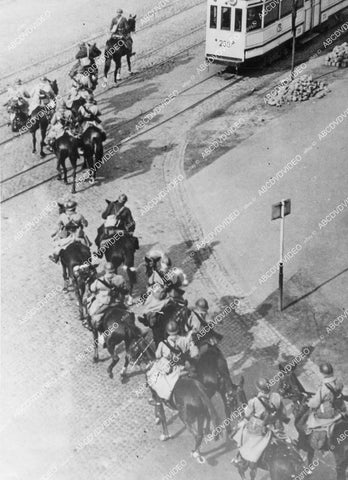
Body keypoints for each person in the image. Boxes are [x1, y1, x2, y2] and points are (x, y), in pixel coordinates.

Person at [232, 378, 290, 468]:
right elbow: (283, 413)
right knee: (287, 440)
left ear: (259, 389)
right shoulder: (277, 396)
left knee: (241, 430)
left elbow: (247, 415)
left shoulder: (254, 401)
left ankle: (240, 459)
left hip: (261, 428)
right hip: (276, 426)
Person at [147, 320, 199, 402]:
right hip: (184, 366)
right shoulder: (185, 340)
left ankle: (158, 402)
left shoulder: (162, 344)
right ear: (178, 330)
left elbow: (157, 356)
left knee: (152, 376)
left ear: (167, 332)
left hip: (173, 371)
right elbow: (194, 353)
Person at [306, 362, 347, 447]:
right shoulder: (338, 381)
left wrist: (309, 402)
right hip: (340, 407)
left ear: (322, 373)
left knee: (310, 417)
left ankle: (319, 442)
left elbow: (315, 403)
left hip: (330, 412)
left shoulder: (324, 388)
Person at [87, 262, 128, 331]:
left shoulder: (99, 281)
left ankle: (93, 327)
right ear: (114, 269)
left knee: (93, 313)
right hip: (118, 302)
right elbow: (126, 289)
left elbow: (91, 289)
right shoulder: (120, 278)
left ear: (105, 270)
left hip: (105, 304)